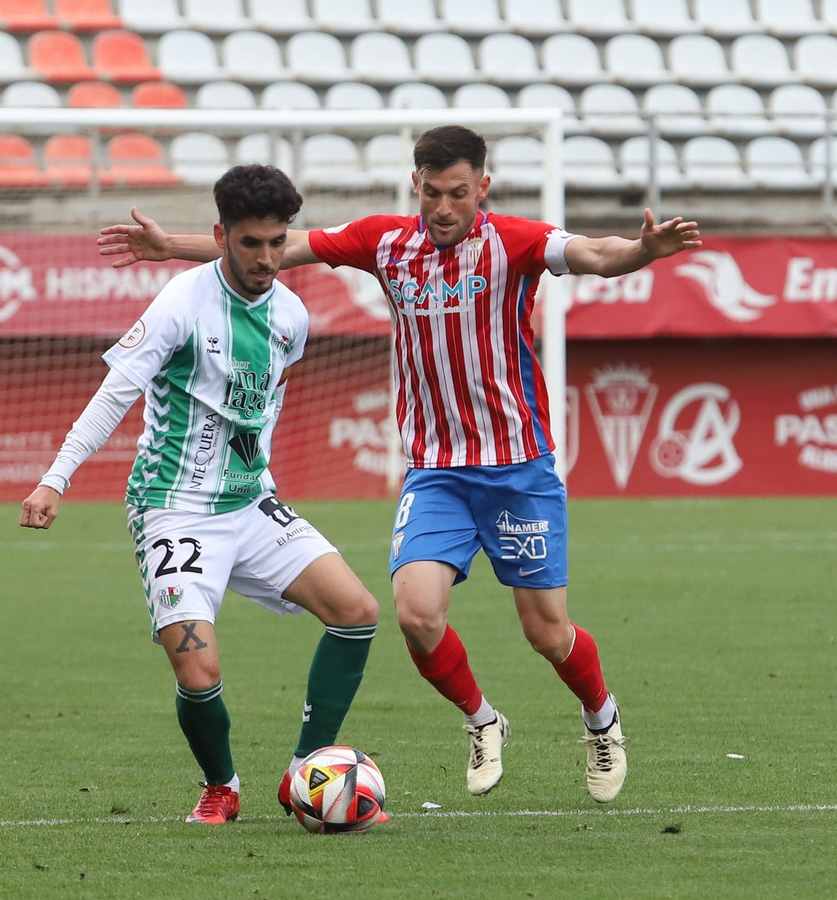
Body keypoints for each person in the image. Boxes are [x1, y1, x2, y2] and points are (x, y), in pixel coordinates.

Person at [96, 125, 702, 803]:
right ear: (416, 184)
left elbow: (592, 251)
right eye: (432, 192)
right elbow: (278, 248)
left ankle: (601, 718)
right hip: (436, 470)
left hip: (518, 467)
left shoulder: (516, 242)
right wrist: (170, 248)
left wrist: (641, 252)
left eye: (459, 193)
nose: (444, 207)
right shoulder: (385, 241)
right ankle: (483, 720)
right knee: (415, 615)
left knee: (546, 632)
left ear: (483, 188)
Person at [22, 165, 381, 825]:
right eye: (251, 243)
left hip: (250, 503)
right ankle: (221, 786)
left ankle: (305, 771)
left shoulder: (292, 316)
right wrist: (56, 477)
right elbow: (115, 395)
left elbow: (263, 410)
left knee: (357, 611)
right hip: (174, 508)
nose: (267, 258)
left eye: (278, 242)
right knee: (198, 672)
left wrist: (260, 477)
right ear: (221, 236)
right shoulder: (181, 303)